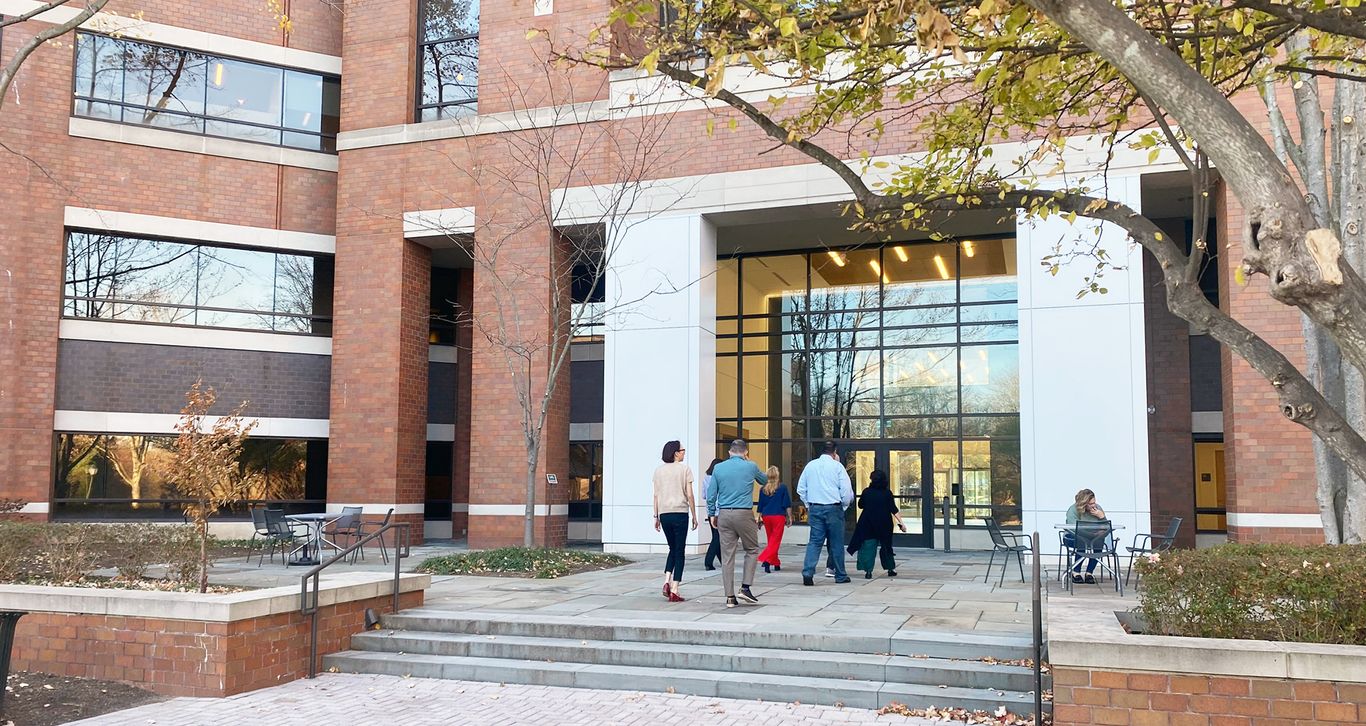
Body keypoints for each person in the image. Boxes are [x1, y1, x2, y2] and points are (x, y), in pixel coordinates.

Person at [706, 439, 766, 608]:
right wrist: (748, 463)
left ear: (729, 452)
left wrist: (712, 513)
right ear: (745, 452)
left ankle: (730, 597)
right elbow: (764, 480)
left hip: (724, 513)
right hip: (744, 513)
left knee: (727, 556)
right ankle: (745, 587)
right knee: (752, 549)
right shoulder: (751, 466)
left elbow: (711, 494)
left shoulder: (718, 468)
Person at [797, 440, 855, 586]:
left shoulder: (810, 466)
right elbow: (846, 491)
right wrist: (844, 506)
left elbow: (801, 489)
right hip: (833, 508)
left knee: (815, 542)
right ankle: (840, 575)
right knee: (836, 543)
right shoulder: (837, 467)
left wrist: (808, 504)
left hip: (815, 508)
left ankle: (808, 572)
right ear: (834, 452)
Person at [652, 440, 697, 602]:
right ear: (676, 453)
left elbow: (656, 495)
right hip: (680, 512)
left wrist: (656, 516)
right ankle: (675, 588)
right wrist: (694, 515)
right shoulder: (684, 469)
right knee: (680, 551)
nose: (684, 452)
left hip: (664, 514)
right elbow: (690, 495)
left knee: (672, 548)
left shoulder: (658, 471)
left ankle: (666, 580)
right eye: (682, 450)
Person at [846, 469, 907, 579]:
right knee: (886, 546)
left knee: (868, 547)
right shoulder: (887, 493)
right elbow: (894, 509)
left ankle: (868, 571)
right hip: (884, 523)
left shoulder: (866, 492)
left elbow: (861, 505)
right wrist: (902, 523)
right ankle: (890, 569)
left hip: (868, 522)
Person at [1064, 488, 1107, 585]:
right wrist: (1092, 534)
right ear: (1084, 503)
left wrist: (1102, 517)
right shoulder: (1073, 510)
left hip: (1094, 538)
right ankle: (1076, 572)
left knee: (1099, 541)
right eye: (1091, 504)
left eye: (1094, 502)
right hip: (1073, 537)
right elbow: (1074, 529)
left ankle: (1089, 573)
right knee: (1082, 541)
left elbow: (1107, 529)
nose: (1094, 505)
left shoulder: (1098, 509)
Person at [756, 465, 791, 574]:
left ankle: (775, 562)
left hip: (766, 516)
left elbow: (760, 505)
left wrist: (759, 518)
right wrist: (789, 517)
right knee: (775, 541)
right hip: (778, 516)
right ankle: (765, 559)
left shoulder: (763, 489)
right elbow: (787, 504)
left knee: (771, 540)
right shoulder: (782, 487)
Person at [701, 458, 724, 571]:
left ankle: (722, 560)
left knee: (716, 536)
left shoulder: (706, 478)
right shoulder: (719, 478)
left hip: (710, 510)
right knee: (717, 537)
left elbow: (704, 495)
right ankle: (708, 561)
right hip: (719, 510)